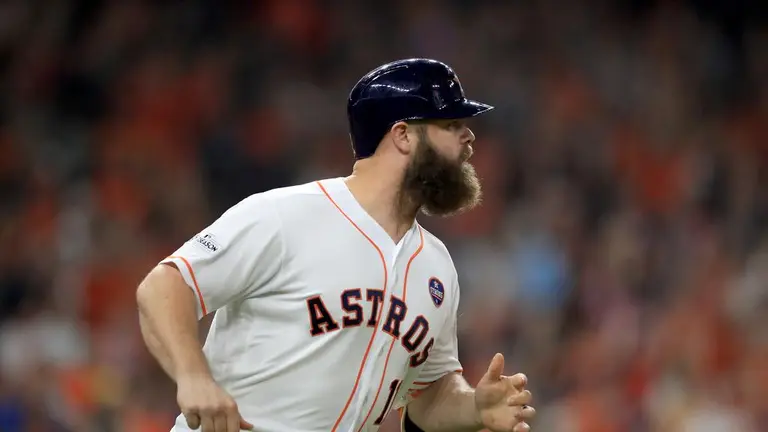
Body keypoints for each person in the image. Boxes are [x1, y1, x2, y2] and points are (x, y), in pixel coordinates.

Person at [137, 58, 535, 432]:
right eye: (450, 124)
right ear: (402, 136)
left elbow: (426, 394)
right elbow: (163, 287)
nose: (469, 137)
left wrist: (474, 407)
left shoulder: (437, 265)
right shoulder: (285, 215)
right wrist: (192, 376)